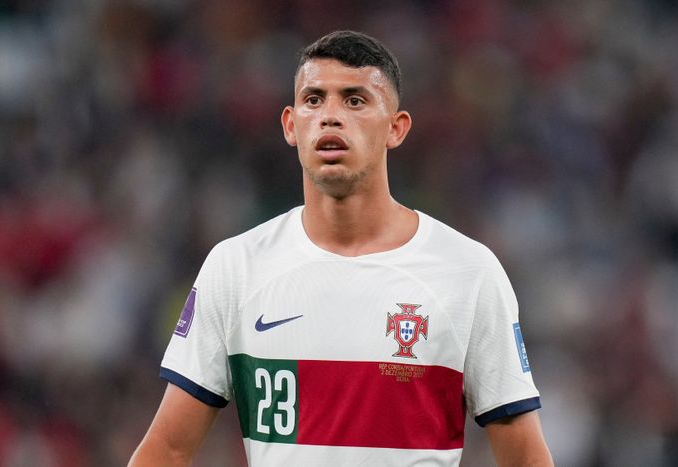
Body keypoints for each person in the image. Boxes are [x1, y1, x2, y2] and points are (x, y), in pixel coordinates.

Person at [128, 30, 553, 466]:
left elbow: (525, 456)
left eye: (354, 100)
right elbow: (167, 449)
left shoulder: (469, 272)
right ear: (291, 126)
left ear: (396, 128)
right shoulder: (236, 267)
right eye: (314, 100)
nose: (330, 116)